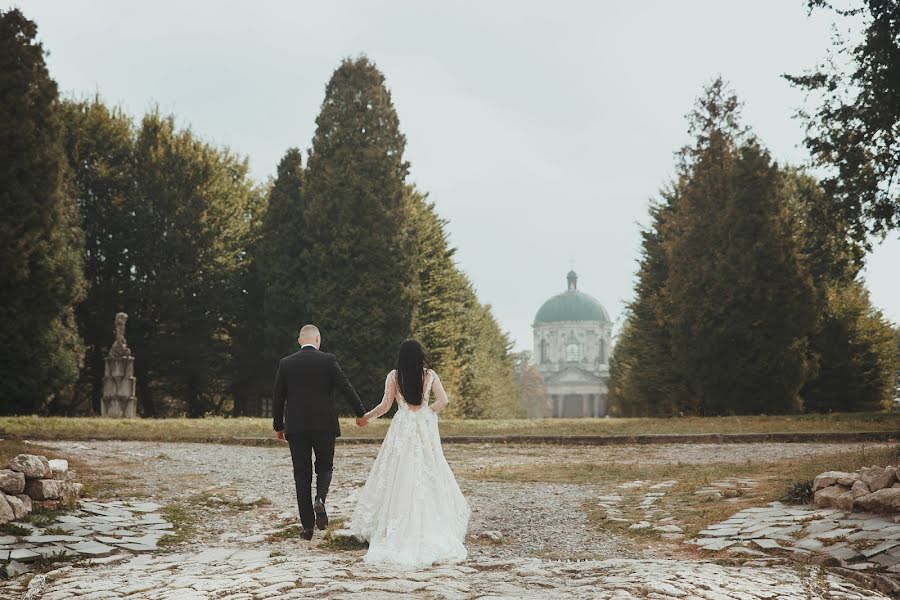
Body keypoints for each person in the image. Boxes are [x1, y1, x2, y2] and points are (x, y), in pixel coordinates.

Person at [349, 338, 470, 567]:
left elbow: (385, 405)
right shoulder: (430, 375)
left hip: (402, 425)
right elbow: (443, 400)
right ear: (420, 355)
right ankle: (429, 524)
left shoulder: (394, 375)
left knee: (397, 472)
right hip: (422, 427)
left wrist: (366, 417)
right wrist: (427, 413)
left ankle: (392, 523)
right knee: (429, 469)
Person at [272, 324, 367, 540]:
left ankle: (307, 528)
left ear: (299, 340)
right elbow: (346, 387)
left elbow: (278, 397)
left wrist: (279, 426)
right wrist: (361, 413)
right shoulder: (328, 361)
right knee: (325, 466)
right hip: (325, 424)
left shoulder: (286, 363)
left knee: (301, 475)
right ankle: (320, 499)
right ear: (317, 339)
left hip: (296, 427)